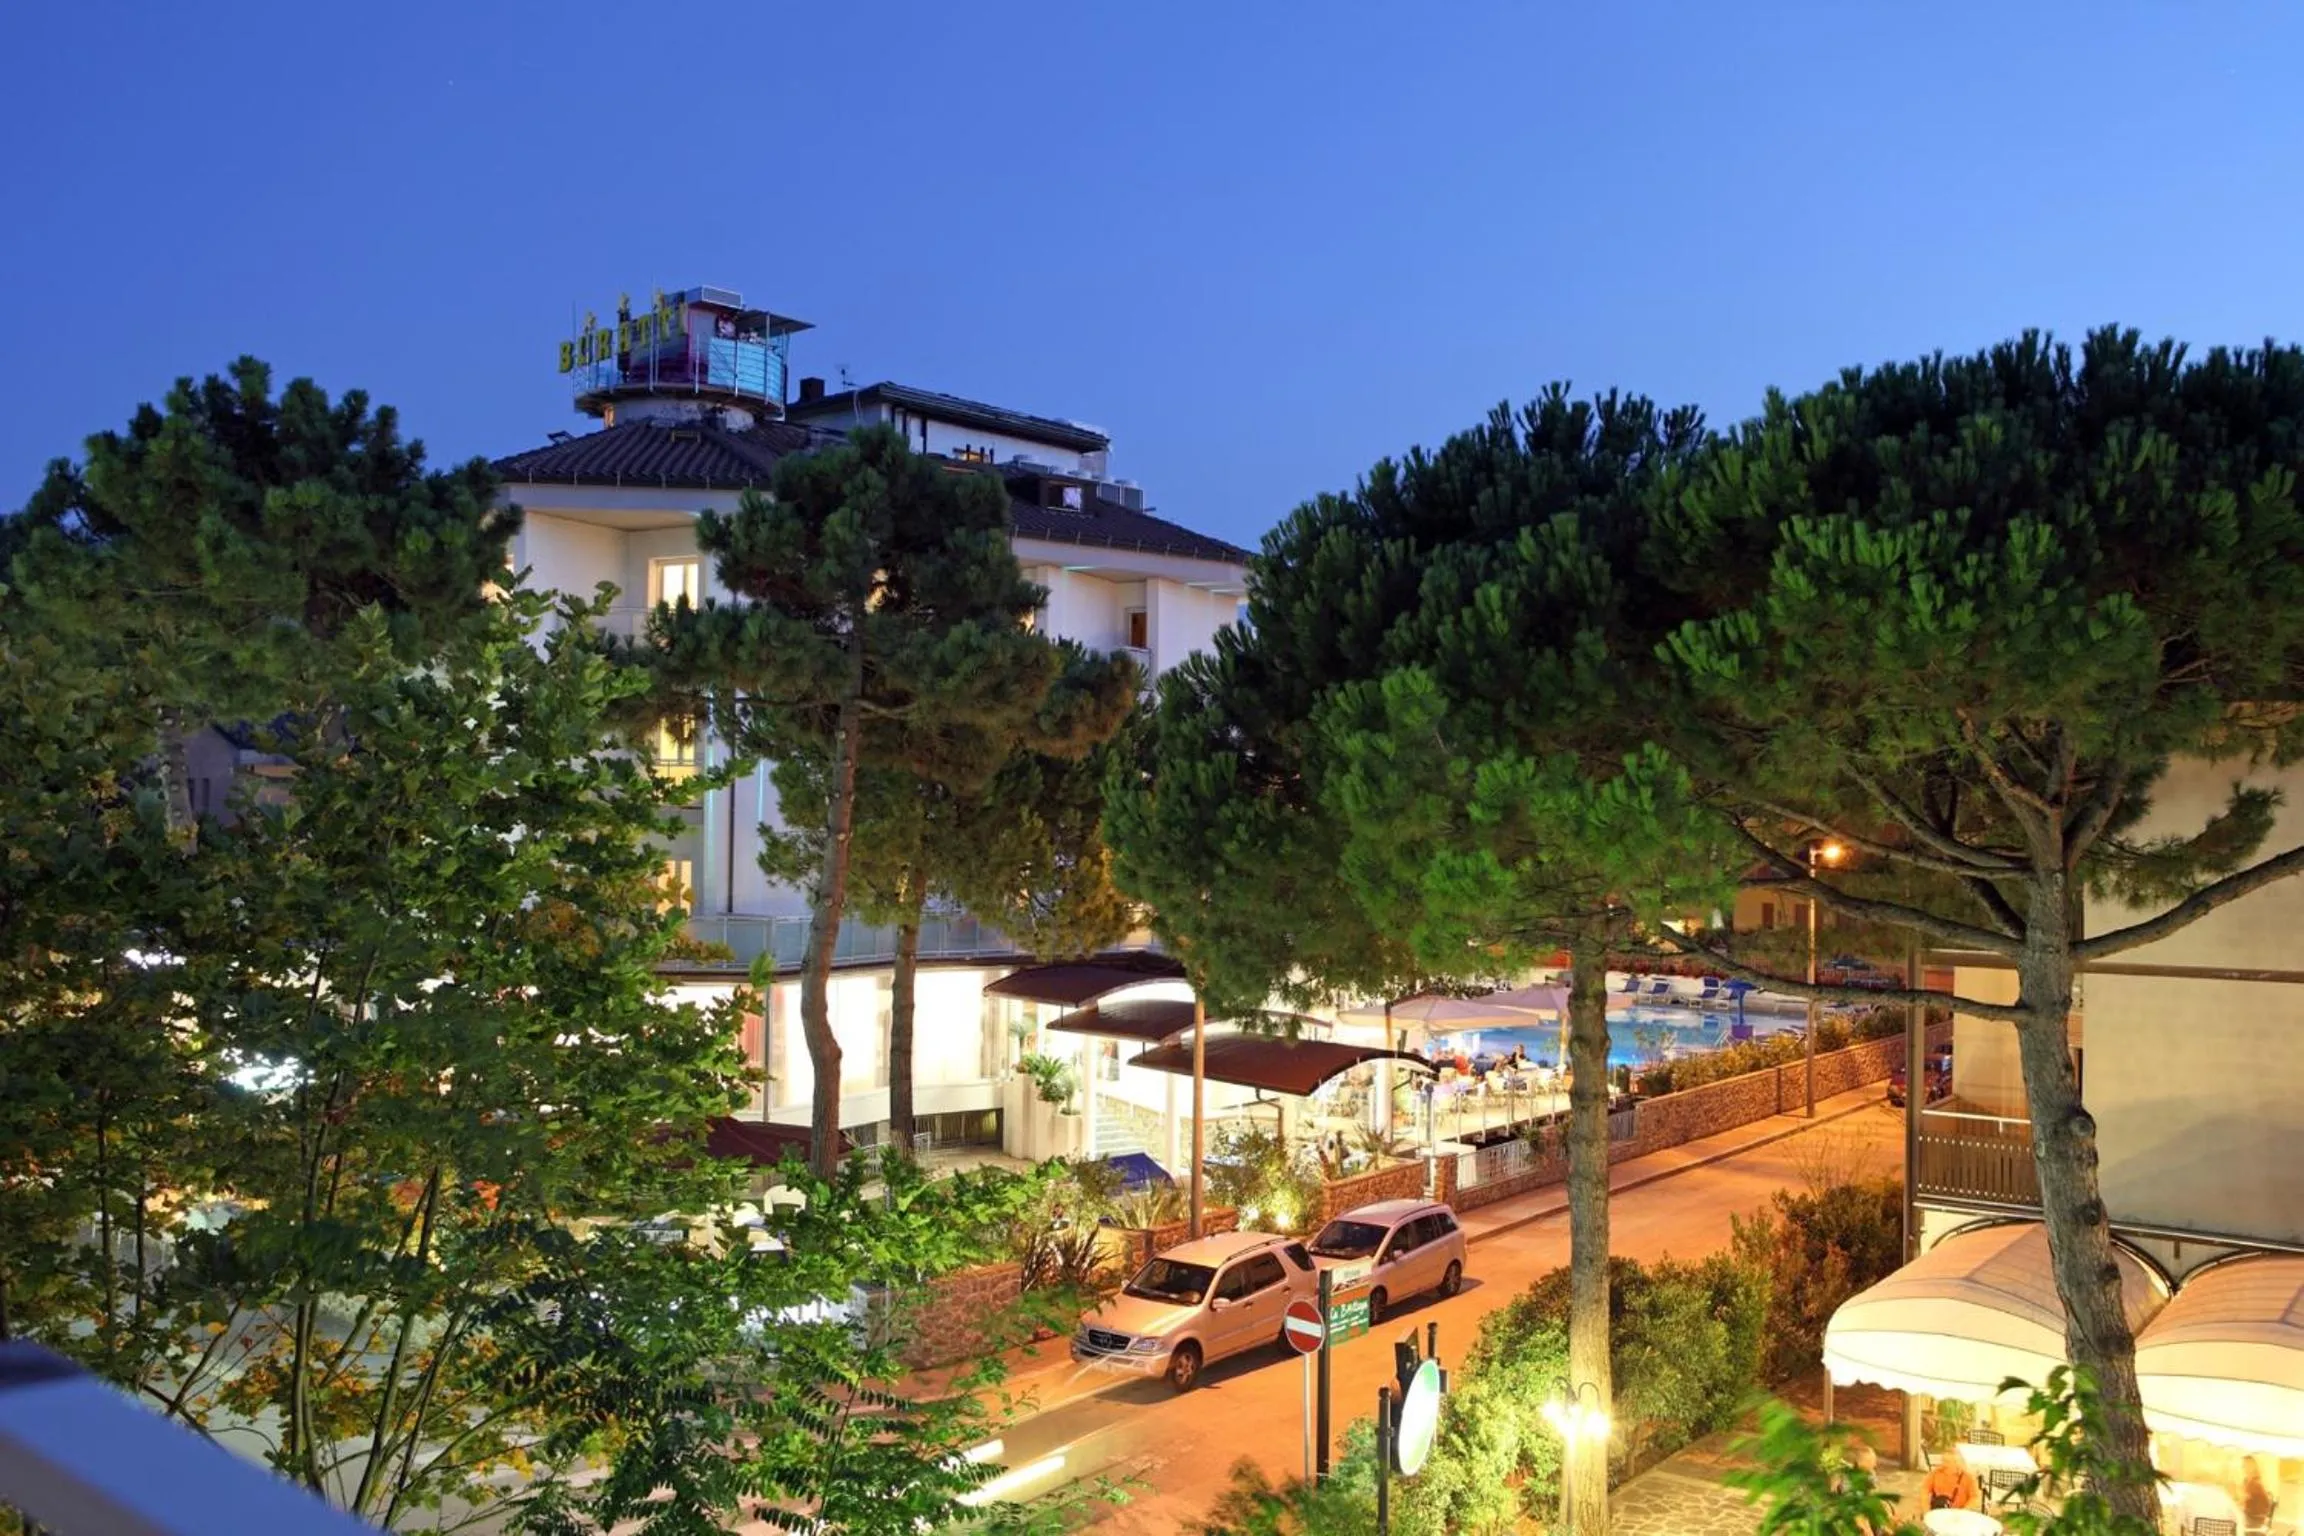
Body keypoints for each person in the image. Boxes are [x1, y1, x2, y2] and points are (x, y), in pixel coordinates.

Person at [1921, 1446, 1981, 1512]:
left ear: (1957, 1463)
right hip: (1937, 1511)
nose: (1943, 1464)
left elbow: (1974, 1498)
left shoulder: (1968, 1477)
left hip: (1958, 1514)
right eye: (1943, 1461)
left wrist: (1963, 1512)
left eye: (1947, 1462)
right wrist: (1926, 1509)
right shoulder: (1935, 1473)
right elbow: (1924, 1490)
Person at [2241, 1454, 2276, 1531]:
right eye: (2243, 1465)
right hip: (2251, 1516)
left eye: (2244, 1465)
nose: (2242, 1468)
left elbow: (2242, 1500)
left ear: (2252, 1467)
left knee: (2230, 1521)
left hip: (2254, 1520)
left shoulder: (2254, 1483)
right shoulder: (2248, 1480)